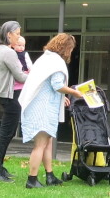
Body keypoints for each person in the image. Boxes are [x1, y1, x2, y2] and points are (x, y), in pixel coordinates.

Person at [19, 33, 84, 189]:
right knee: (40, 145)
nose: (71, 51)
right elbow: (57, 85)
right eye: (71, 48)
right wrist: (74, 93)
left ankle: (50, 176)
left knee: (47, 143)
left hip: (38, 106)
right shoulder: (56, 62)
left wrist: (63, 97)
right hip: (43, 109)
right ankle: (32, 180)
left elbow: (45, 84)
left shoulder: (45, 59)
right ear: (66, 48)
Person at [0, 21, 29, 182]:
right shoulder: (8, 52)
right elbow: (20, 76)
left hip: (7, 95)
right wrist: (37, 77)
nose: (19, 37)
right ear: (9, 35)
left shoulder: (1, 50)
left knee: (8, 132)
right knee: (6, 133)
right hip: (11, 96)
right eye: (17, 34)